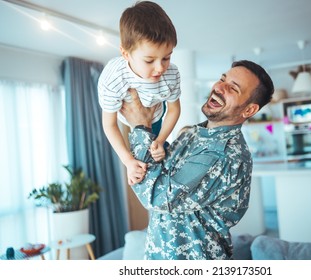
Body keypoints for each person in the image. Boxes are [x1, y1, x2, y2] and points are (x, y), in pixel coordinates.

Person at [121, 60, 274, 260]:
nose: (219, 87)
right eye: (222, 79)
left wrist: (140, 127)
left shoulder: (226, 154)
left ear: (248, 110)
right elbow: (165, 170)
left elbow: (158, 196)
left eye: (233, 88)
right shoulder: (193, 133)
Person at [97, 1, 181, 185]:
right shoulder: (113, 78)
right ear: (125, 54)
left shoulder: (171, 74)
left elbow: (174, 109)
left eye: (167, 57)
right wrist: (127, 160)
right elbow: (109, 125)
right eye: (149, 60)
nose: (160, 68)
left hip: (159, 113)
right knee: (139, 164)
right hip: (126, 116)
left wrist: (161, 139)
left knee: (160, 153)